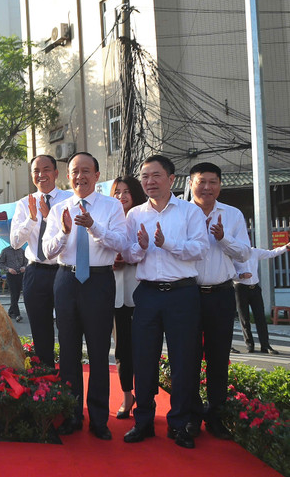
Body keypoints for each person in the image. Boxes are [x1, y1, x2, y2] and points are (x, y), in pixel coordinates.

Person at [122, 155, 209, 449]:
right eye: (145, 177)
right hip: (147, 293)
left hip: (182, 294)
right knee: (143, 359)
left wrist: (166, 244)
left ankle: (180, 423)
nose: (149, 182)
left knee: (183, 360)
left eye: (156, 175)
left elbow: (200, 249)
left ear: (171, 179)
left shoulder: (189, 212)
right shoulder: (135, 215)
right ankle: (143, 421)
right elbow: (129, 255)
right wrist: (141, 247)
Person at [43, 152, 127, 440]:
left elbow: (121, 243)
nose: (80, 176)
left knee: (99, 352)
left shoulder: (112, 206)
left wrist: (93, 226)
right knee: (68, 352)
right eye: (75, 172)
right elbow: (47, 251)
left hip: (99, 281)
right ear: (68, 176)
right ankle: (71, 414)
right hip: (66, 279)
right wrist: (64, 233)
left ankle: (99, 419)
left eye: (86, 171)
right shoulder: (59, 209)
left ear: (97, 175)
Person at [188, 162, 251, 440]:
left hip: (221, 294)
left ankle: (216, 415)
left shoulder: (232, 214)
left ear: (220, 185)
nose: (207, 187)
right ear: (191, 183)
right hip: (187, 294)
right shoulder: (182, 213)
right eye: (201, 181)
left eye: (212, 182)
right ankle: (191, 415)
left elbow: (244, 253)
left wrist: (223, 239)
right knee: (187, 357)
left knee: (218, 357)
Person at [10, 154, 72, 366]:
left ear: (56, 173)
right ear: (31, 176)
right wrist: (32, 218)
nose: (41, 175)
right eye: (36, 171)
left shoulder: (69, 200)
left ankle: (68, 377)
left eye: (46, 170)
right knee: (40, 329)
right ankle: (46, 376)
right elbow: (15, 242)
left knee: (67, 328)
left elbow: (73, 235)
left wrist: (49, 216)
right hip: (35, 272)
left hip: (63, 271)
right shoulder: (24, 204)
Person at [110, 176, 147, 420]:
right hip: (114, 294)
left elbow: (153, 253)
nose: (121, 196)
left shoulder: (143, 218)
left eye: (126, 192)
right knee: (121, 348)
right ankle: (126, 395)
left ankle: (145, 397)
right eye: (117, 192)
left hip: (140, 292)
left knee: (143, 348)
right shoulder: (106, 219)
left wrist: (130, 258)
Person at [234, 243, 287, 355]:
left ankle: (265, 345)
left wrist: (285, 247)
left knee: (260, 317)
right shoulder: (234, 253)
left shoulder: (255, 251)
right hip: (240, 287)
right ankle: (250, 344)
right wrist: (241, 275)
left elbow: (271, 253)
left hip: (254, 287)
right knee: (244, 317)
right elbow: (230, 271)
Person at [0, 245, 26, 321]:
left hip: (20, 274)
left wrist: (24, 267)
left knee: (17, 294)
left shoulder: (22, 251)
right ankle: (17, 314)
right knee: (13, 293)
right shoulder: (5, 251)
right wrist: (8, 269)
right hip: (11, 275)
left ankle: (11, 311)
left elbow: (26, 262)